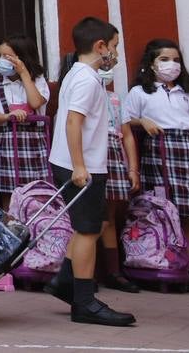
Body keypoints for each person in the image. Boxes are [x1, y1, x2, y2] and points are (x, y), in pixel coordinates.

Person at [46, 16, 135, 327]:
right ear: (100, 46)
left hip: (76, 162)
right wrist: (81, 165)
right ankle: (84, 302)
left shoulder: (80, 74)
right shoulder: (85, 79)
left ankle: (65, 282)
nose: (116, 54)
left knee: (91, 225)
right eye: (114, 47)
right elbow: (73, 121)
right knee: (87, 230)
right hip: (80, 166)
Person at [123, 38, 189, 292]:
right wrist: (143, 122)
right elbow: (126, 121)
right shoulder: (140, 93)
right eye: (164, 59)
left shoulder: (185, 95)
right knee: (162, 211)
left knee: (188, 214)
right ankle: (163, 265)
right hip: (159, 150)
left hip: (187, 151)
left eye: (176, 60)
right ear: (151, 64)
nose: (171, 65)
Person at [0, 35, 52, 197]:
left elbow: (35, 103)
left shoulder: (38, 80)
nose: (1, 60)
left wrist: (24, 74)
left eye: (7, 57)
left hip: (35, 146)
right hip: (8, 145)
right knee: (9, 196)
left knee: (36, 194)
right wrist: (7, 116)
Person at [94, 57, 140, 293]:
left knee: (109, 215)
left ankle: (113, 271)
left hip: (114, 154)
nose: (105, 72)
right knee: (91, 216)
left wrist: (132, 167)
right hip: (93, 154)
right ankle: (84, 271)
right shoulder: (83, 94)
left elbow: (127, 135)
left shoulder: (115, 98)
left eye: (108, 68)